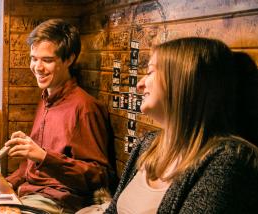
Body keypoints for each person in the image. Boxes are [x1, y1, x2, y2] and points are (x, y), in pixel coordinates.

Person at [104, 37, 258, 213]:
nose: (139, 84)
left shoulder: (228, 160)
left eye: (150, 72)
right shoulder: (147, 144)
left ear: (182, 79)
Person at [4, 19, 114, 213]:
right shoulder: (47, 96)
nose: (37, 67)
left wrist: (45, 157)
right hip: (29, 194)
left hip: (57, 202)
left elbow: (99, 176)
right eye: (33, 58)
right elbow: (29, 167)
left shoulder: (85, 107)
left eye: (47, 60)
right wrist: (3, 184)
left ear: (69, 59)